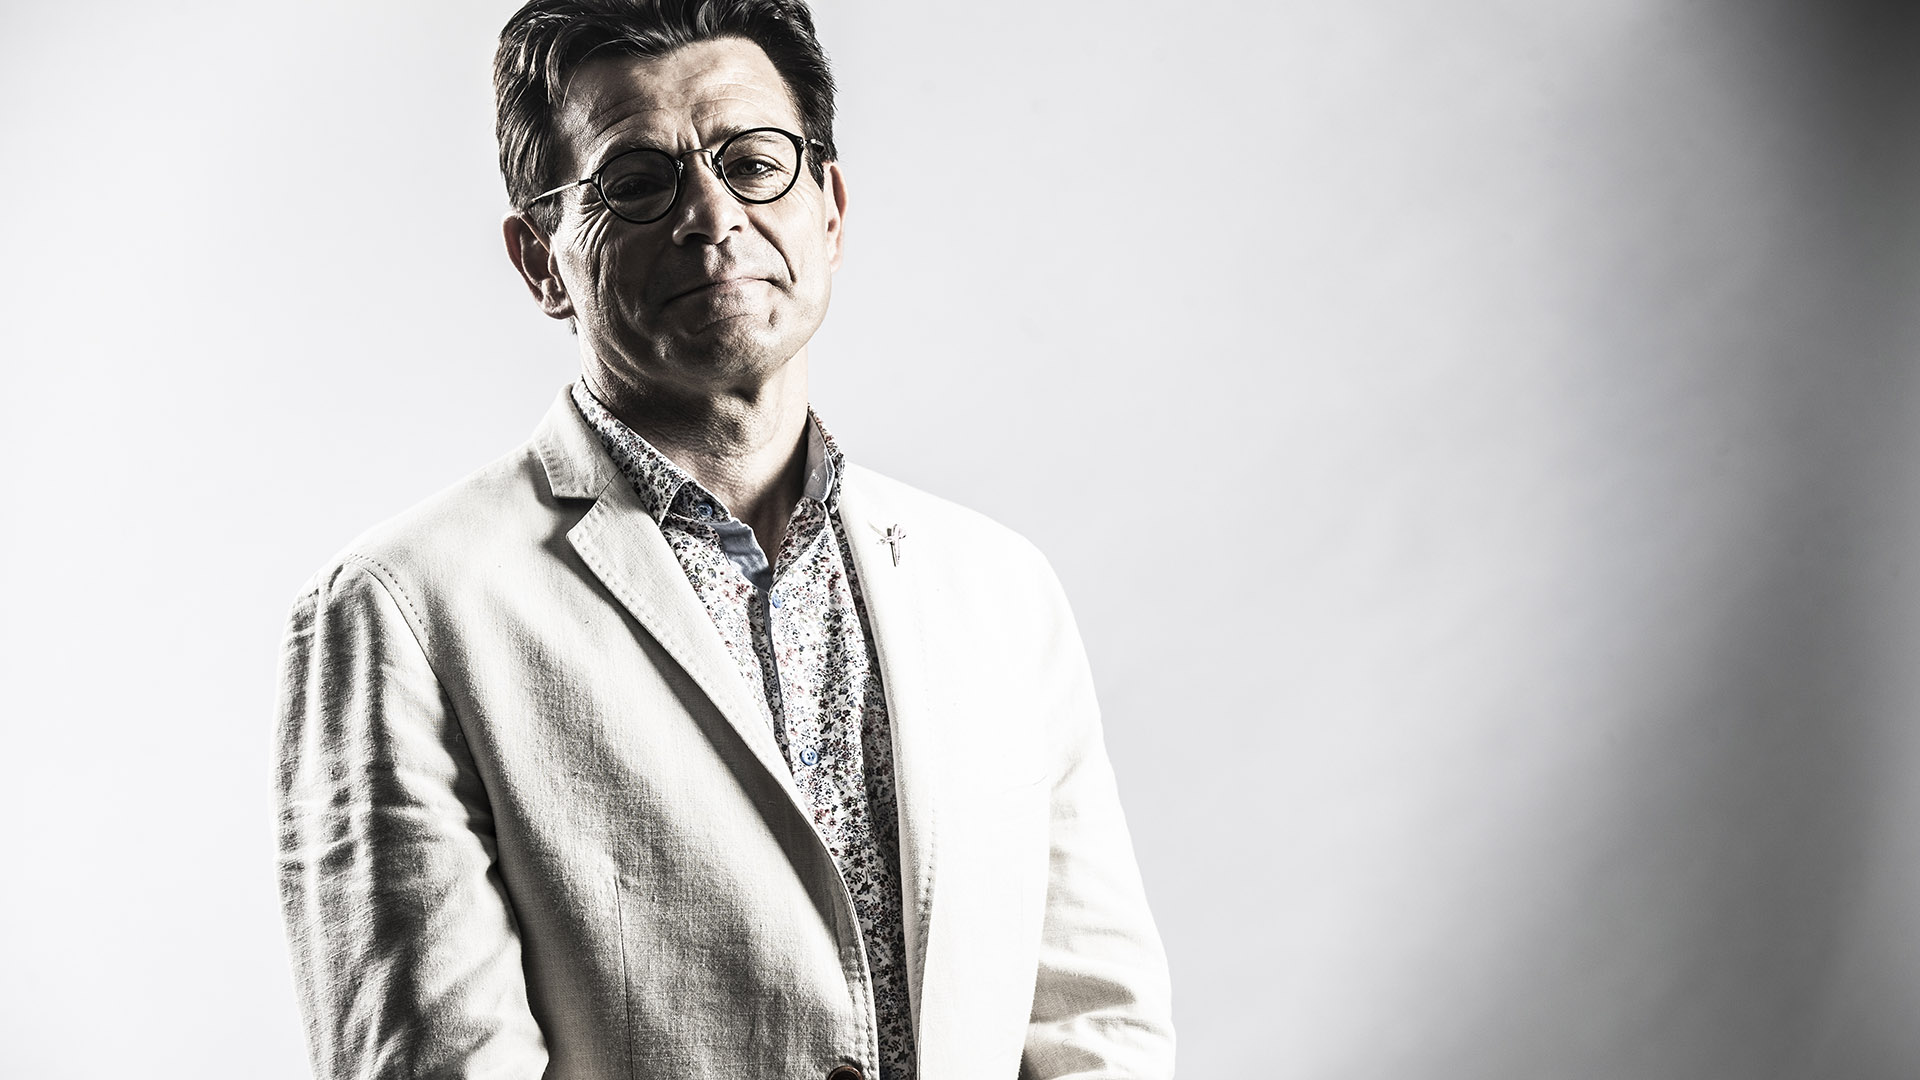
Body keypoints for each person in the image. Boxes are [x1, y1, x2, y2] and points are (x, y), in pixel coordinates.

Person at [272, 1, 1174, 1077]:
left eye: (752, 163)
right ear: (541, 261)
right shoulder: (407, 610)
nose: (712, 214)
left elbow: (1094, 1025)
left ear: (830, 211)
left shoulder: (997, 588)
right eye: (636, 182)